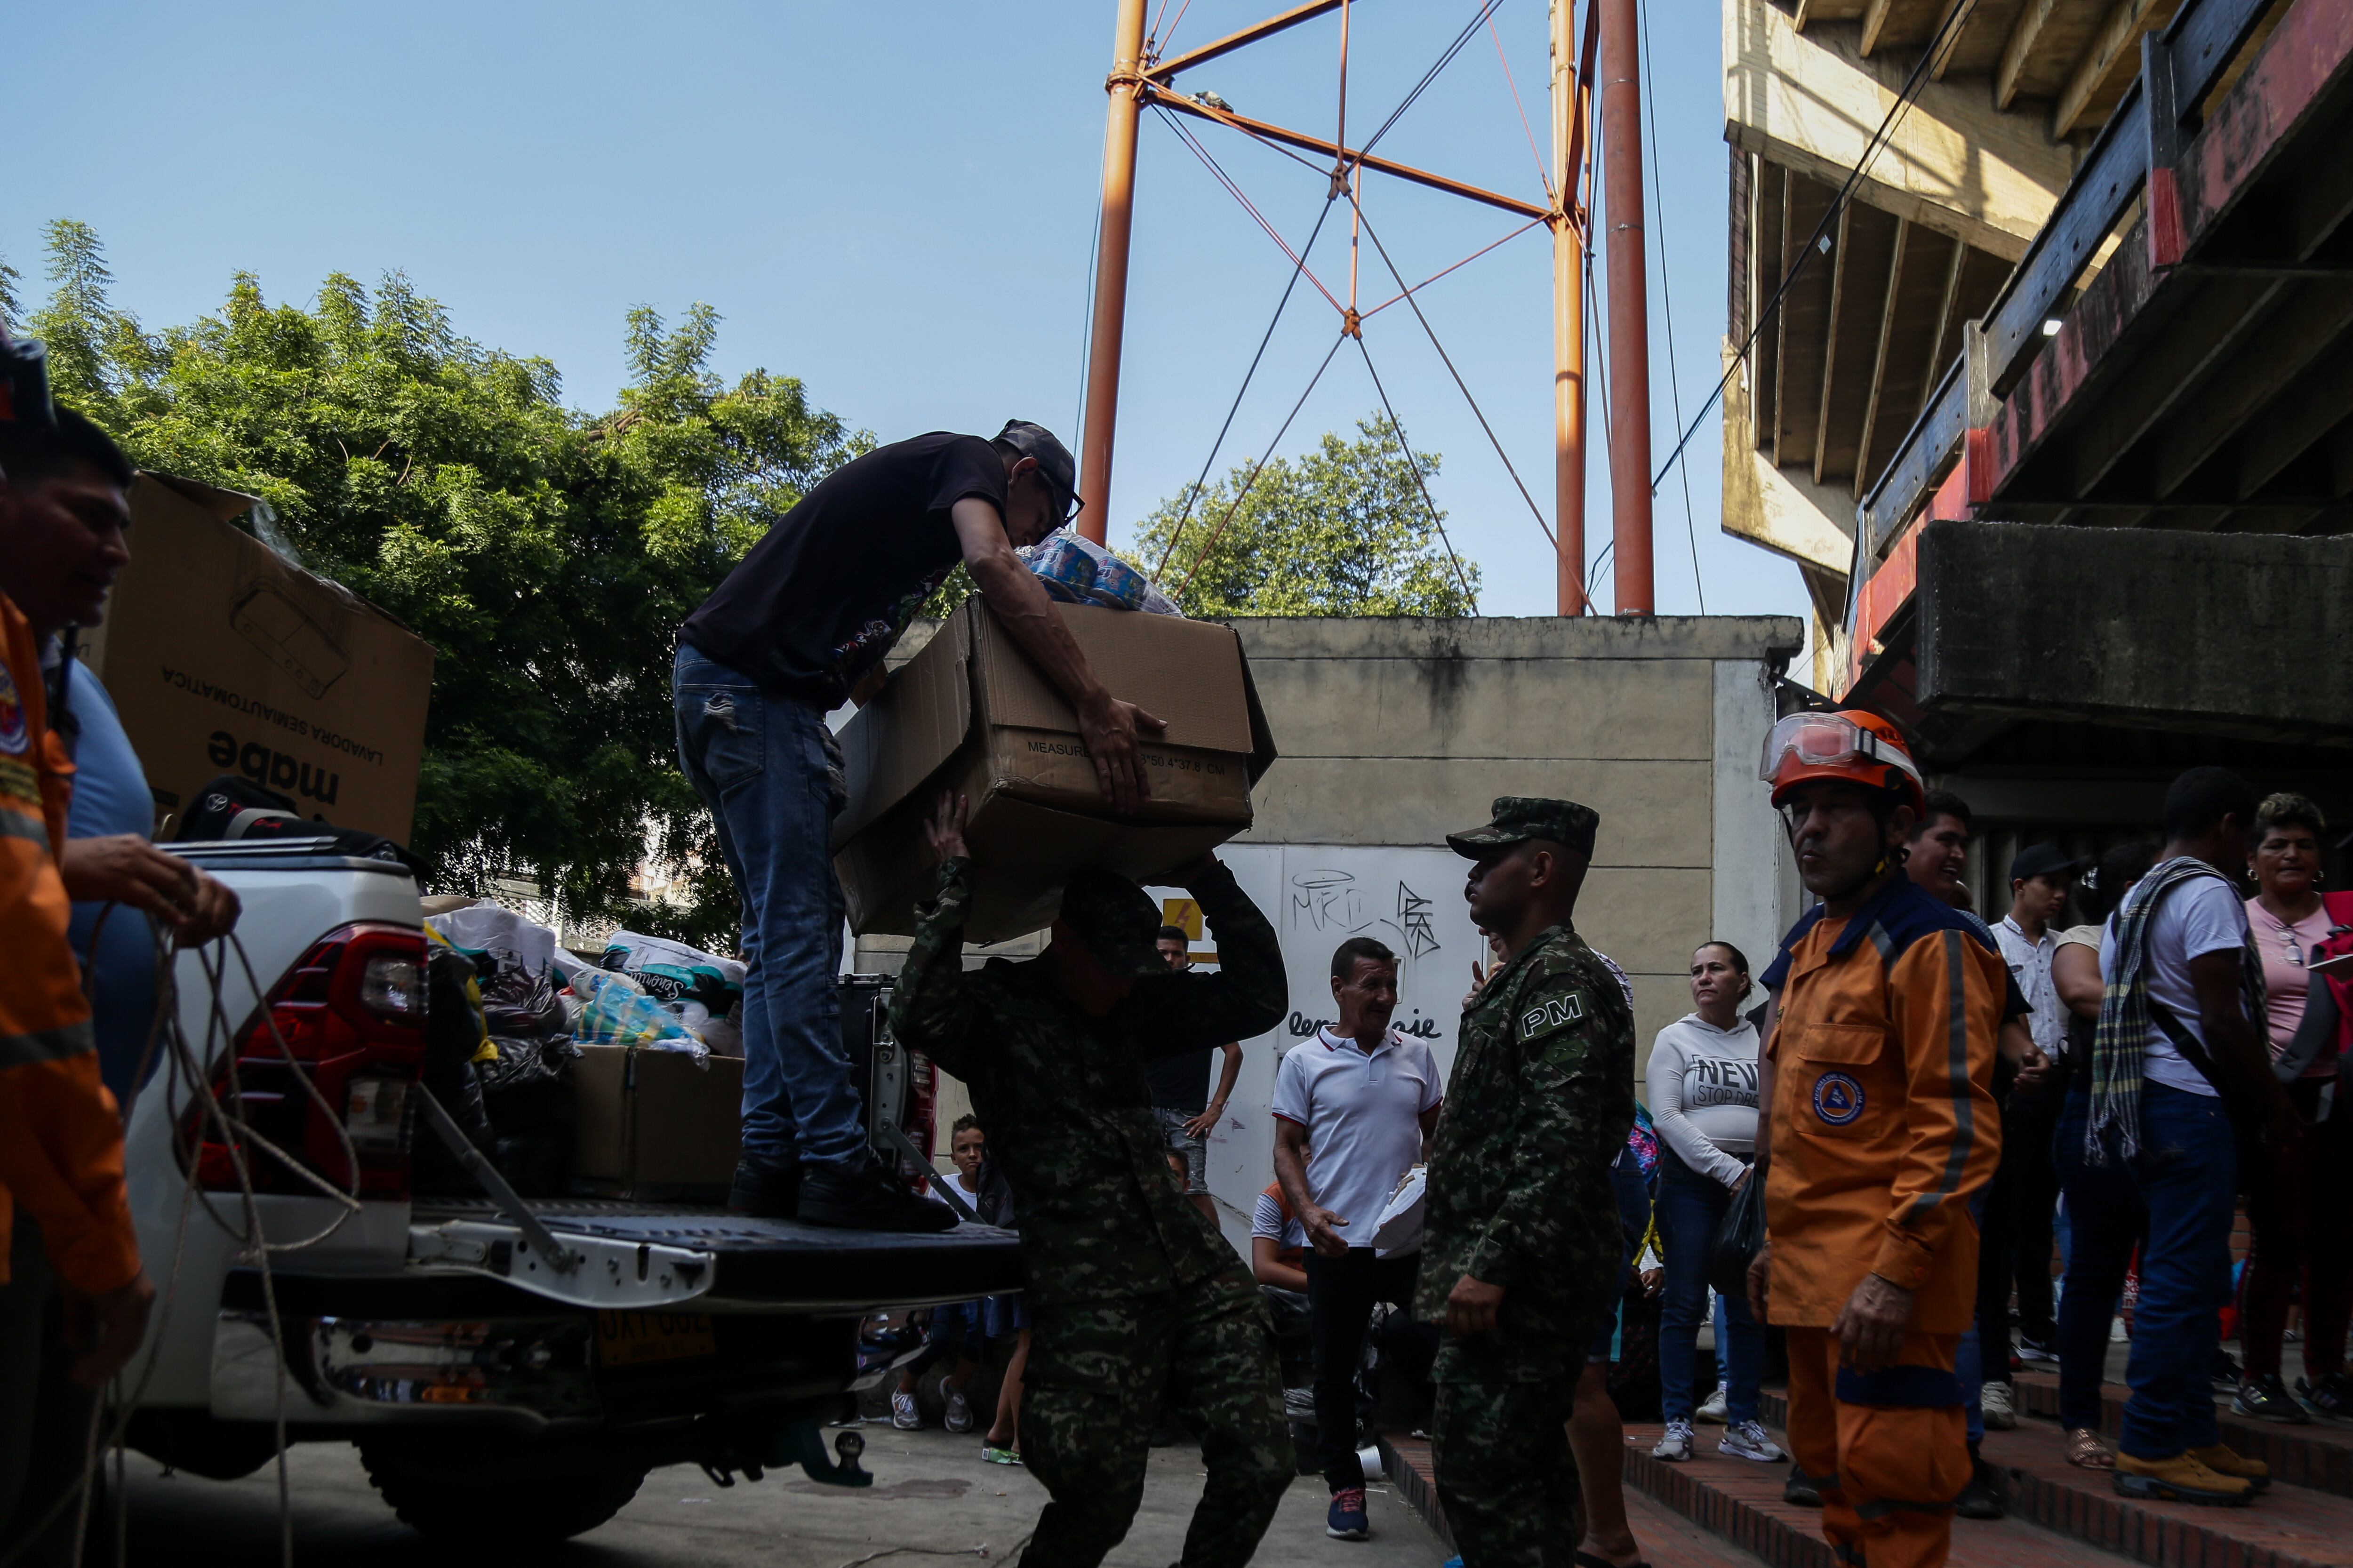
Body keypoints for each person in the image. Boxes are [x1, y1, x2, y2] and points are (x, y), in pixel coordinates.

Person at [675, 421, 1163, 1232]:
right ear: (1027, 473)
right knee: (800, 937)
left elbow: (866, 666)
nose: (1035, 536)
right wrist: (1090, 700)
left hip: (725, 694)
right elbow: (993, 563)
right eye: (1044, 515)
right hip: (757, 698)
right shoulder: (965, 459)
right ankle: (834, 1164)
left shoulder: (909, 526)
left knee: (772, 946)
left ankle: (769, 1162)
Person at [890, 790, 1291, 1568]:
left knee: (1263, 1460)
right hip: (1090, 1289)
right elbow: (916, 1011)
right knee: (1097, 1498)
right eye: (1112, 968)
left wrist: (1208, 877)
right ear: (1065, 941)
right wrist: (953, 888)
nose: (1126, 984)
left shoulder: (1133, 1005)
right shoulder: (1000, 1012)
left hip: (1188, 1267)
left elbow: (1259, 996)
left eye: (1136, 970)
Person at [1747, 710, 2002, 1568]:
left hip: (1888, 1293)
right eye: (1798, 810)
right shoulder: (1816, 945)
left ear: (1899, 824)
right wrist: (1771, 1245)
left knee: (1895, 1493)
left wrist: (1895, 1277)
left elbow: (1956, 1125)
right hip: (1813, 1284)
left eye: (1835, 809)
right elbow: (1797, 1122)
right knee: (1833, 1482)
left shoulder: (1932, 944)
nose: (1809, 829)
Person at [1418, 797, 1634, 1568]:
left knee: (1486, 1480)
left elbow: (1560, 1140)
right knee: (1528, 1488)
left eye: (1491, 858)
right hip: (1506, 1283)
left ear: (1541, 868)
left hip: (1517, 1292)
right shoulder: (1524, 981)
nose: (1473, 874)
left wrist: (1493, 1264)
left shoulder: (1558, 981)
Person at [2088, 767, 2290, 1503]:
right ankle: (2150, 1445)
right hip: (2191, 1105)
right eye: (2252, 838)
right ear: (2229, 827)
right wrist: (2273, 1102)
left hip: (2144, 1103)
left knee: (2198, 1275)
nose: (2252, 854)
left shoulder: (2135, 898)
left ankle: (2196, 1432)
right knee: (2181, 1279)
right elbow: (2222, 1017)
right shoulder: (2206, 892)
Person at [1273, 936, 1442, 1541]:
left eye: (1391, 985)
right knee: (1332, 1371)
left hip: (1406, 1242)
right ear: (1338, 987)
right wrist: (1308, 1211)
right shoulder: (1304, 1061)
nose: (1384, 996)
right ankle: (1345, 1485)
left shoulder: (1417, 1054)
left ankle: (1456, 1464)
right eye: (1371, 984)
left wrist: (1428, 1181)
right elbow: (1286, 1146)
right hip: (1336, 1243)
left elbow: (1435, 1135)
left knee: (1444, 1348)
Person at [2234, 793, 2353, 1422]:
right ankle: (2259, 1376)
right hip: (2277, 1094)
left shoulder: (2345, 917)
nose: (2292, 854)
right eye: (2277, 844)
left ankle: (2328, 1372)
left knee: (2338, 1239)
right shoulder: (2235, 920)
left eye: (2305, 844)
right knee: (2278, 1238)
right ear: (2252, 858)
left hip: (2344, 1092)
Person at [1648, 941, 1782, 1465]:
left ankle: (1742, 1420)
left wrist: (1752, 1175)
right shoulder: (1674, 1038)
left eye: (1716, 968)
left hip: (1753, 1181)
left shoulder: (1762, 1037)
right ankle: (1677, 1421)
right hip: (1692, 1181)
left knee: (1746, 1302)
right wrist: (1729, 1171)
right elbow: (1666, 1116)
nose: (1703, 978)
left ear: (1743, 980)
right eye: (1696, 970)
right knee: (1682, 1303)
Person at [2049, 840, 2158, 1470]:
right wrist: (2182, 1009)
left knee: (2173, 1273)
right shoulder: (2085, 938)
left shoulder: (2169, 948)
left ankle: (2166, 1415)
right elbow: (2084, 994)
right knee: (2095, 1272)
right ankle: (2081, 1421)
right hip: (2097, 1120)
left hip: (2165, 1116)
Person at [1992, 843, 2083, 1372]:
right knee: (2014, 1209)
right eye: (2047, 882)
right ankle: (2017, 1323)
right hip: (2014, 1088)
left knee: (2047, 1208)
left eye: (2063, 885)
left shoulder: (2065, 947)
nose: (2058, 893)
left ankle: (2038, 1323)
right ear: (2019, 885)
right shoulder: (1990, 942)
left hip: (2063, 1083)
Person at [896, 1117, 1000, 1432]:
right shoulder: (943, 1188)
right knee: (937, 1338)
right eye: (964, 1149)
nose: (972, 1155)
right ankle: (904, 1391)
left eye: (979, 1148)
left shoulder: (999, 1194)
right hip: (946, 1280)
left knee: (982, 1331)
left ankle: (955, 1388)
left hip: (981, 1284)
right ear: (953, 1156)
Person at [1152, 927, 1244, 1225]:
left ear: (1186, 958)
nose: (1169, 959)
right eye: (1162, 953)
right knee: (1139, 1186)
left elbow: (1234, 1052)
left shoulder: (1199, 995)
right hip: (1143, 1111)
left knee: (1196, 1192)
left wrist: (1215, 1109)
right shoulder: (1137, 994)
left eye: (1176, 954)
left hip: (1187, 1115)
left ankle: (1218, 1267)